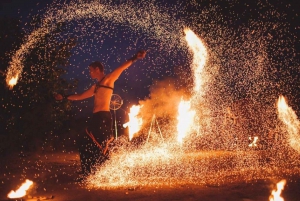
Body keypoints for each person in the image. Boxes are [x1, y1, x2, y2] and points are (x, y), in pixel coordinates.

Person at [55, 50, 147, 177]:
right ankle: (89, 172)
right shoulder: (96, 87)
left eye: (91, 70)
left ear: (97, 69)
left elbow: (121, 68)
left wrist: (135, 57)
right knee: (85, 142)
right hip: (96, 118)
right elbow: (80, 96)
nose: (90, 73)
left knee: (101, 145)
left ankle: (103, 173)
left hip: (103, 117)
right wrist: (64, 96)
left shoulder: (108, 80)